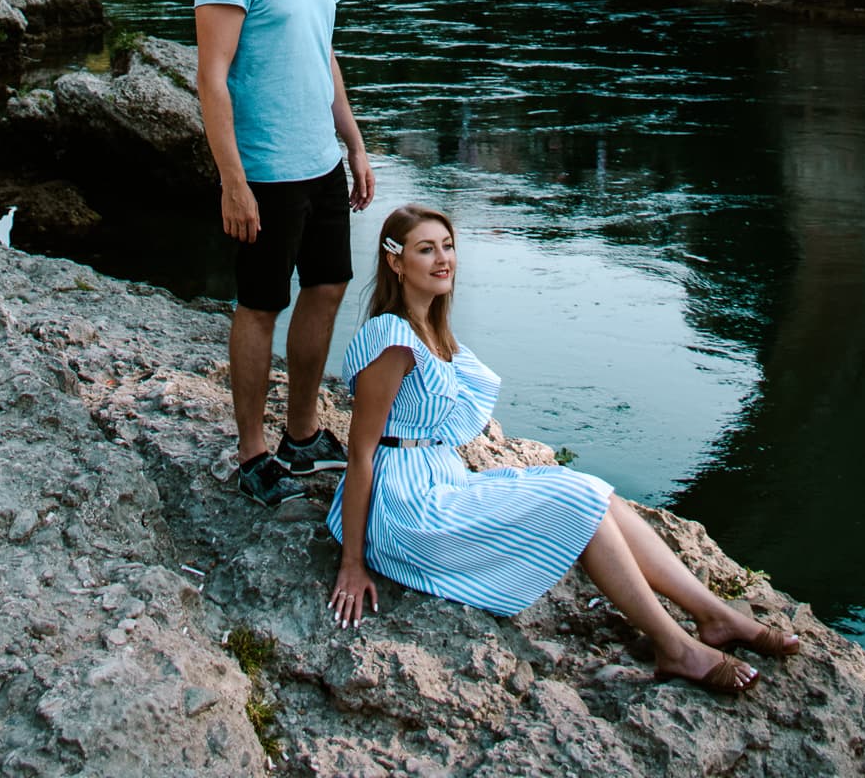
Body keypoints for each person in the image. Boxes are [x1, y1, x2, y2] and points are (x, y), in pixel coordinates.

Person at [327, 203, 801, 696]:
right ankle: (675, 648)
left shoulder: (434, 331)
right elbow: (362, 453)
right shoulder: (393, 337)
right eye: (426, 249)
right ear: (396, 262)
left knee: (595, 491)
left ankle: (714, 616)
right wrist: (352, 563)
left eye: (448, 247)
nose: (443, 258)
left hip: (440, 481)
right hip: (408, 509)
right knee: (575, 504)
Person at [195, 0, 375, 507]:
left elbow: (323, 55)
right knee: (260, 304)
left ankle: (301, 433)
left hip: (320, 161)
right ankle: (250, 452)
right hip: (265, 170)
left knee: (326, 288)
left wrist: (353, 144)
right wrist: (233, 181)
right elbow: (211, 79)